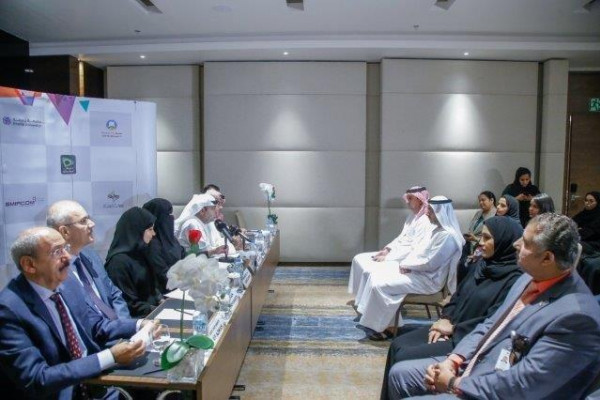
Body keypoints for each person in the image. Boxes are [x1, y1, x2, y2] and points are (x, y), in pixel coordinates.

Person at [387, 213, 600, 400]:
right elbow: (491, 325)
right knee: (399, 374)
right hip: (481, 365)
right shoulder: (528, 278)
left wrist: (454, 383)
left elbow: (524, 383)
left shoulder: (577, 318)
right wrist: (453, 360)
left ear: (547, 258)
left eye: (526, 243)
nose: (517, 244)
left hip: (501, 389)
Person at [380, 216, 523, 399]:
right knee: (397, 345)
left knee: (404, 357)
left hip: (465, 338)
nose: (480, 242)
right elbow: (457, 295)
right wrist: (445, 318)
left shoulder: (514, 280)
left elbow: (493, 320)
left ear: (504, 241)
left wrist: (454, 329)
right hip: (449, 327)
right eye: (482, 236)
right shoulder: (482, 265)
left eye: (487, 238)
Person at [0, 227, 151, 400]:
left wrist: (139, 324)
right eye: (57, 251)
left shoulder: (68, 282)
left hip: (95, 384)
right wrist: (110, 356)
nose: (67, 257)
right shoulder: (9, 310)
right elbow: (38, 378)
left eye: (65, 248)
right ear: (29, 264)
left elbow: (96, 325)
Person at [356, 196, 463, 340]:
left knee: (380, 285)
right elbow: (421, 253)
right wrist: (407, 263)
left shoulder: (448, 237)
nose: (427, 213)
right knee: (376, 275)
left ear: (441, 213)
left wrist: (406, 265)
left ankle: (382, 327)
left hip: (430, 281)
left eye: (430, 211)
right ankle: (387, 325)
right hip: (421, 273)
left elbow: (430, 263)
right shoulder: (438, 231)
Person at [348, 186, 432, 300]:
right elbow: (401, 237)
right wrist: (387, 250)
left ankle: (370, 303)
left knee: (370, 269)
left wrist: (388, 257)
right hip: (397, 253)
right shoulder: (411, 216)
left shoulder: (425, 221)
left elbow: (416, 249)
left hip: (406, 260)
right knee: (359, 259)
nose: (407, 202)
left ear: (419, 199)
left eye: (410, 198)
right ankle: (362, 299)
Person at [105, 207, 162, 317]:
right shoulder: (118, 263)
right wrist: (157, 310)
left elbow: (152, 289)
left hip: (152, 313)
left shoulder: (141, 254)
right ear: (137, 230)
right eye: (150, 229)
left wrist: (161, 301)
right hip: (137, 320)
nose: (154, 233)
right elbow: (128, 303)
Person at [142, 198, 185, 293]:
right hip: (163, 294)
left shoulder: (170, 238)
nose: (171, 218)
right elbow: (162, 275)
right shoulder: (151, 244)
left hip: (179, 289)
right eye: (168, 214)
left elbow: (184, 256)